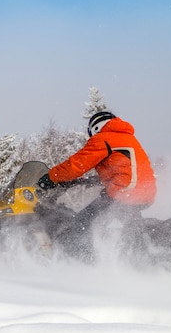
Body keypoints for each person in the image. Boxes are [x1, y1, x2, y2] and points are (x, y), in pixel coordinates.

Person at [36, 111, 157, 261]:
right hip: (143, 194)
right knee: (114, 223)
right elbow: (126, 168)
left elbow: (76, 165)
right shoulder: (128, 138)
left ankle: (78, 260)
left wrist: (51, 177)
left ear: (96, 128)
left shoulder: (104, 138)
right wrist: (91, 180)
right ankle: (129, 254)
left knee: (82, 223)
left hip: (124, 192)